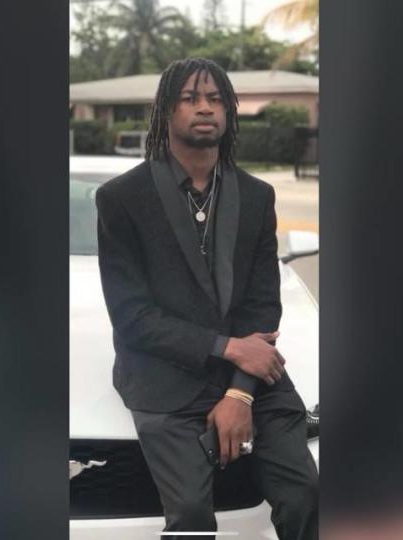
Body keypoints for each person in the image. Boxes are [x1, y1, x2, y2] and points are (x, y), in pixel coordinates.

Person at [95, 57, 319, 540]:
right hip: (164, 378)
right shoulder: (121, 199)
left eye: (216, 99)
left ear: (230, 113)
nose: (205, 108)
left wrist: (240, 389)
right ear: (165, 111)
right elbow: (133, 318)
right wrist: (227, 346)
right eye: (191, 98)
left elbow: (263, 305)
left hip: (252, 376)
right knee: (193, 518)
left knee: (306, 493)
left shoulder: (257, 196)